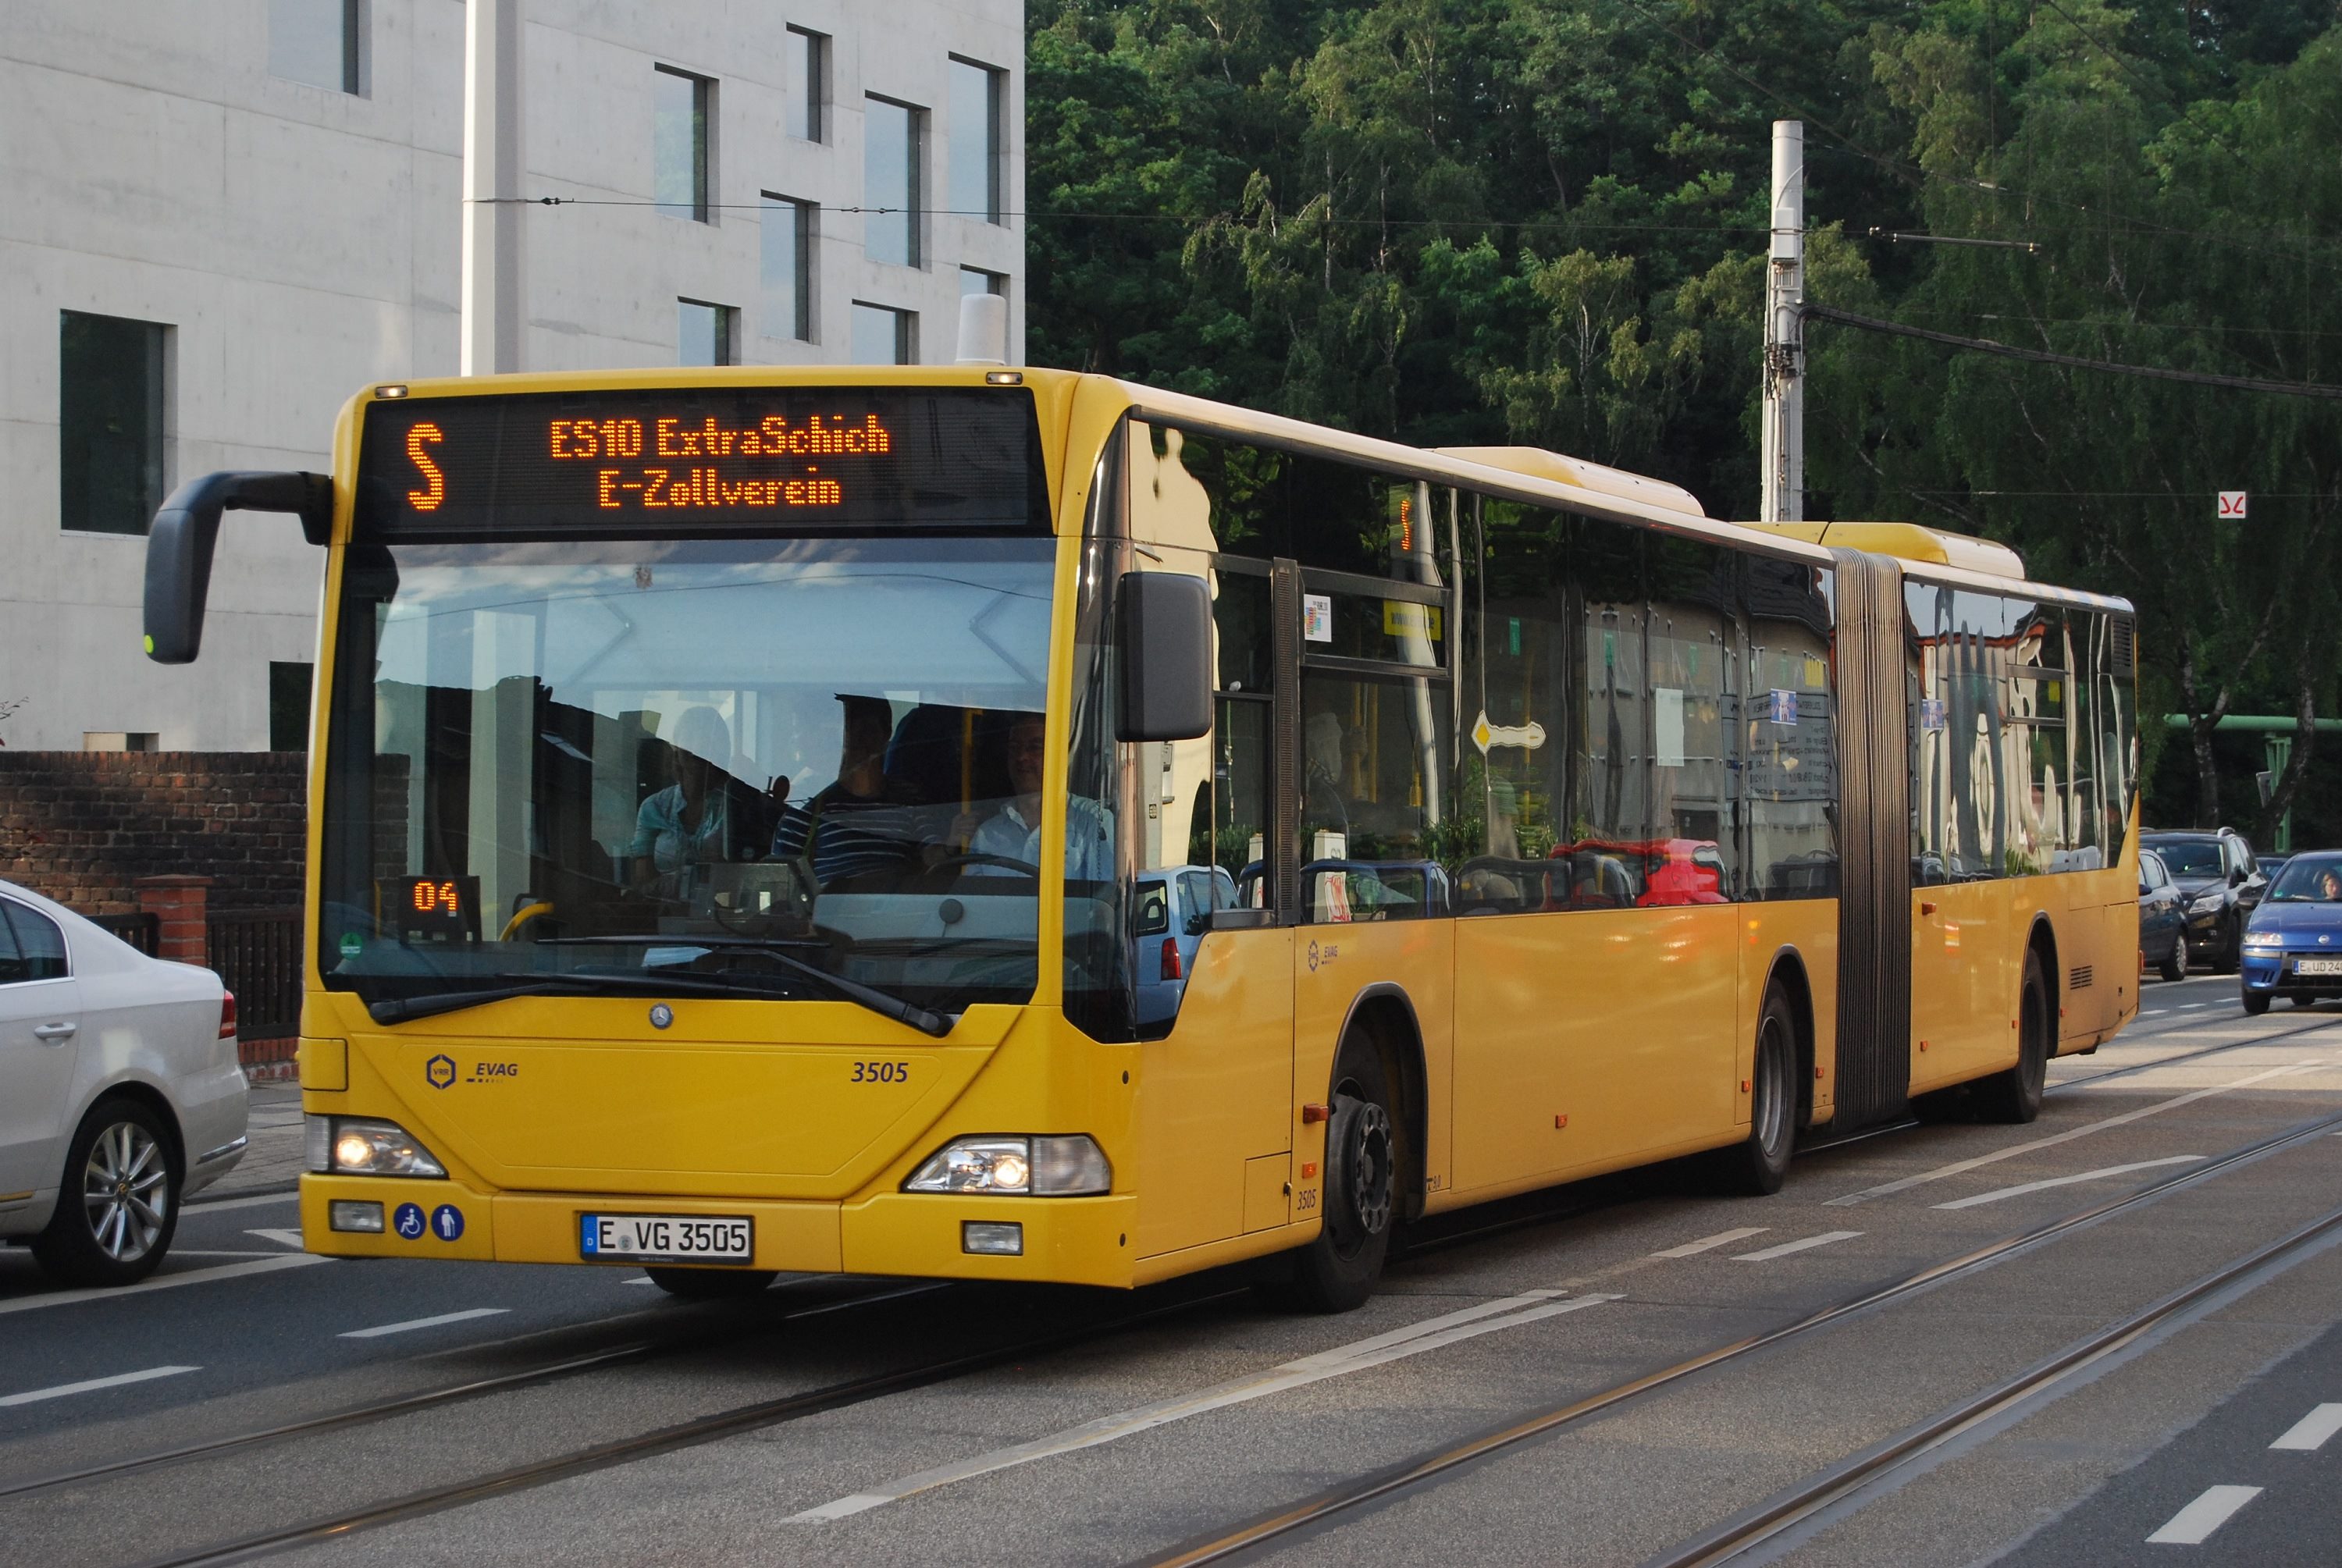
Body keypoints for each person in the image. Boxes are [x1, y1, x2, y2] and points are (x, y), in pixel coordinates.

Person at [771, 695, 927, 886]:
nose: (858, 741)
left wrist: (951, 844)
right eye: (849, 731)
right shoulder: (805, 812)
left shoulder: (910, 800)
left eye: (867, 730)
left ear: (886, 733)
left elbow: (932, 863)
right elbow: (781, 889)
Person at [958, 713, 1113, 881]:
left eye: (1035, 747)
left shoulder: (1092, 820)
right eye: (1014, 748)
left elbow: (1104, 898)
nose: (1021, 757)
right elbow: (974, 902)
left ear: (1058, 754)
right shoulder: (987, 834)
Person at [627, 706, 740, 890]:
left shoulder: (737, 806)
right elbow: (644, 881)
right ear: (676, 748)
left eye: (705, 738)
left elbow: (743, 876)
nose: (696, 745)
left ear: (722, 749)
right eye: (689, 738)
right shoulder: (654, 807)